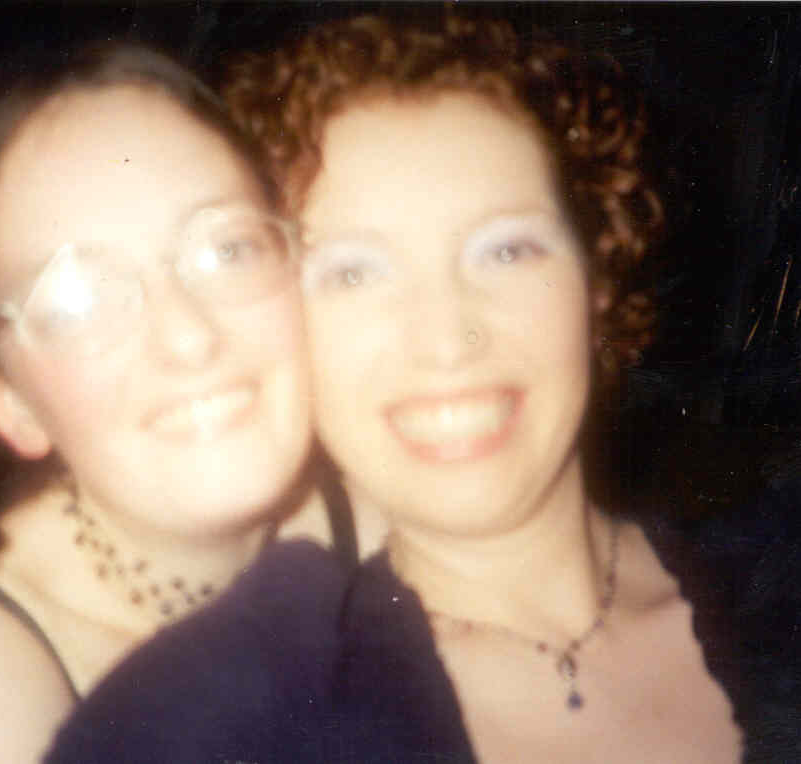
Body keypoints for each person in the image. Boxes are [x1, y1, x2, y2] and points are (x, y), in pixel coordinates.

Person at [47, 12, 798, 763]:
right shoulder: (199, 728)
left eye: (506, 250)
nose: (445, 341)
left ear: (596, 277)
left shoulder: (775, 582)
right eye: (352, 273)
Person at [0, 40, 337, 763]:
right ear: (9, 403)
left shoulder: (383, 501)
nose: (189, 338)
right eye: (78, 301)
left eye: (228, 249)